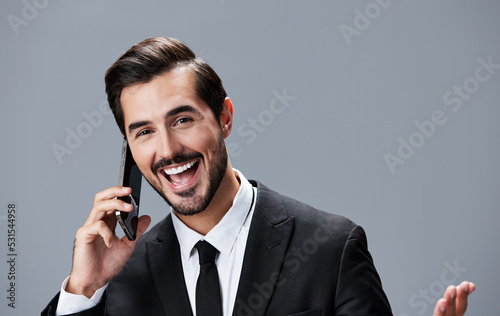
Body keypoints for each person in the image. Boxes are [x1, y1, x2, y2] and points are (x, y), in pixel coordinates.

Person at [42, 37, 475, 316]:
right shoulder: (114, 279)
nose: (168, 151)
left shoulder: (331, 250)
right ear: (129, 149)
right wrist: (83, 289)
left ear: (224, 118)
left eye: (182, 120)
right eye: (144, 132)